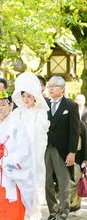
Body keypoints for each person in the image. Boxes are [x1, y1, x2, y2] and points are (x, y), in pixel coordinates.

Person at [0, 90, 35, 220]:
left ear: (11, 105)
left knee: (12, 210)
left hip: (12, 177)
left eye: (3, 105)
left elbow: (24, 151)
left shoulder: (20, 125)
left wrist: (5, 162)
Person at [11, 72, 50, 220]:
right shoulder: (17, 112)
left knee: (33, 186)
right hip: (18, 156)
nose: (26, 99)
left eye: (29, 95)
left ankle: (33, 215)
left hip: (33, 155)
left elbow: (40, 134)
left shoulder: (41, 113)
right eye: (24, 96)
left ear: (35, 96)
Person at [45, 76, 80, 220]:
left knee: (63, 182)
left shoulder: (71, 105)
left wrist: (72, 152)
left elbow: (75, 130)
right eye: (49, 86)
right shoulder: (44, 105)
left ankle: (64, 212)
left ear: (62, 89)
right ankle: (53, 211)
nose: (51, 88)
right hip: (46, 147)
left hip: (63, 149)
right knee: (46, 182)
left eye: (54, 86)